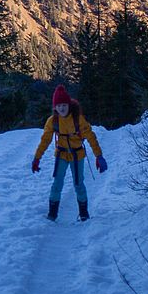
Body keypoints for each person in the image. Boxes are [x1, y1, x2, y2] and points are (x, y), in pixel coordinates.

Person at [30, 84, 107, 221]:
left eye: (64, 105)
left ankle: (84, 214)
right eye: (58, 106)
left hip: (77, 155)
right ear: (55, 107)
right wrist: (37, 158)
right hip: (61, 155)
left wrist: (98, 156)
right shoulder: (52, 121)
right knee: (57, 184)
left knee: (78, 184)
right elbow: (45, 140)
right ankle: (52, 214)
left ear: (69, 104)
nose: (62, 108)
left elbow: (90, 136)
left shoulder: (78, 119)